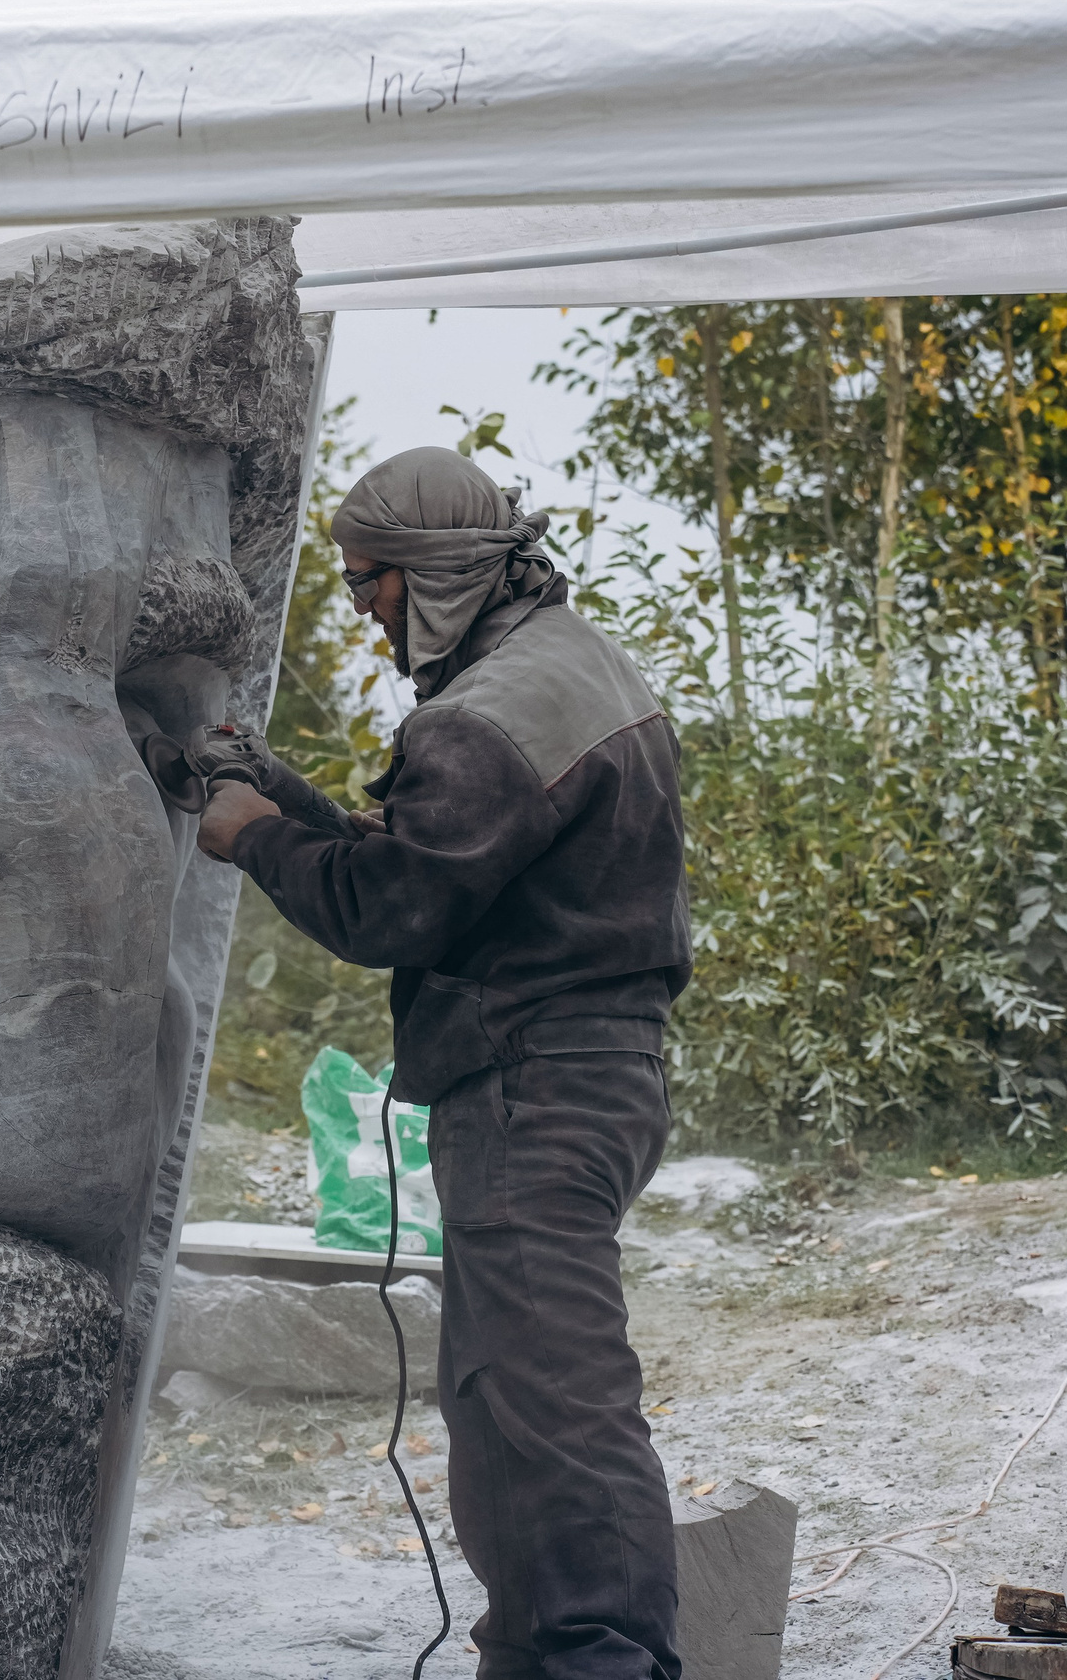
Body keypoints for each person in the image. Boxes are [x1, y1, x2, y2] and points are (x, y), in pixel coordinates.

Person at [196, 447, 691, 1680]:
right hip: (584, 1073)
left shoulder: (480, 719)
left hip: (537, 1087)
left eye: (368, 587)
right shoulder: (567, 662)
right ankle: (534, 1656)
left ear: (434, 573)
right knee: (501, 1402)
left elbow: (394, 911)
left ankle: (601, 1664)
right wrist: (278, 789)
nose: (365, 618)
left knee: (552, 1411)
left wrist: (254, 838)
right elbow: (448, 864)